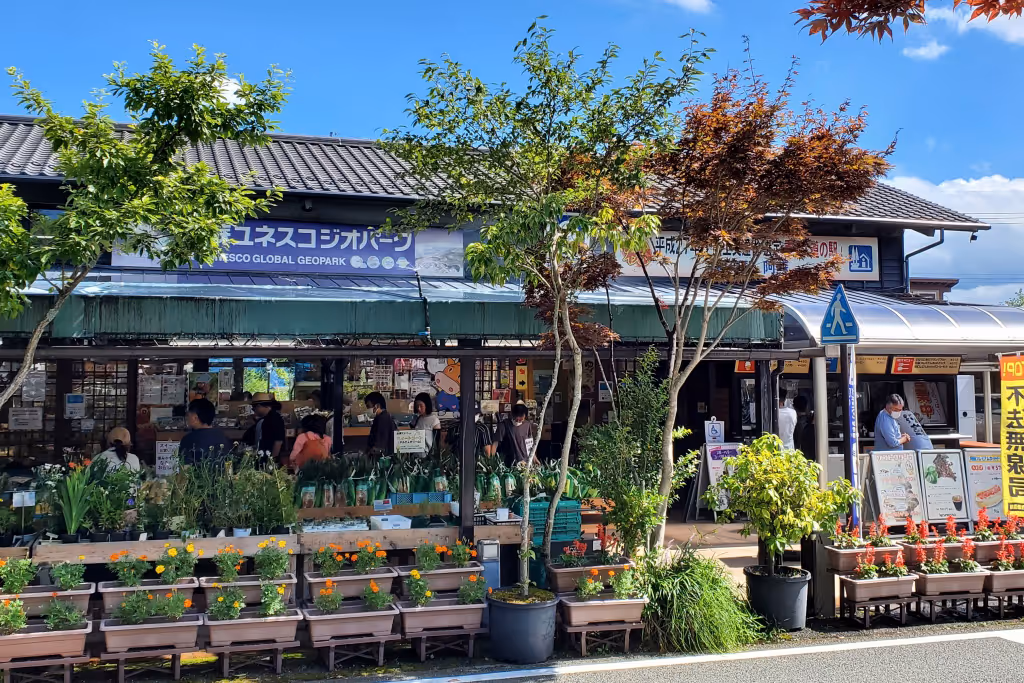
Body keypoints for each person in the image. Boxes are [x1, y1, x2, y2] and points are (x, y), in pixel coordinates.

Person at [179, 398, 234, 464]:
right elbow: (229, 465)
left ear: (195, 418)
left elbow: (185, 470)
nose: (187, 418)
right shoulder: (223, 436)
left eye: (188, 415)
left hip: (197, 474)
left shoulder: (188, 440)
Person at [242, 392, 286, 463]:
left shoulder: (275, 419)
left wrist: (272, 461)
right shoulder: (266, 419)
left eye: (254, 408)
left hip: (268, 460)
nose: (254, 410)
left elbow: (278, 441)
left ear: (259, 406)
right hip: (263, 458)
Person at [793, 395, 816, 461]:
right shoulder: (810, 422)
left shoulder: (794, 422)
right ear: (806, 406)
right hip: (810, 456)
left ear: (794, 407)